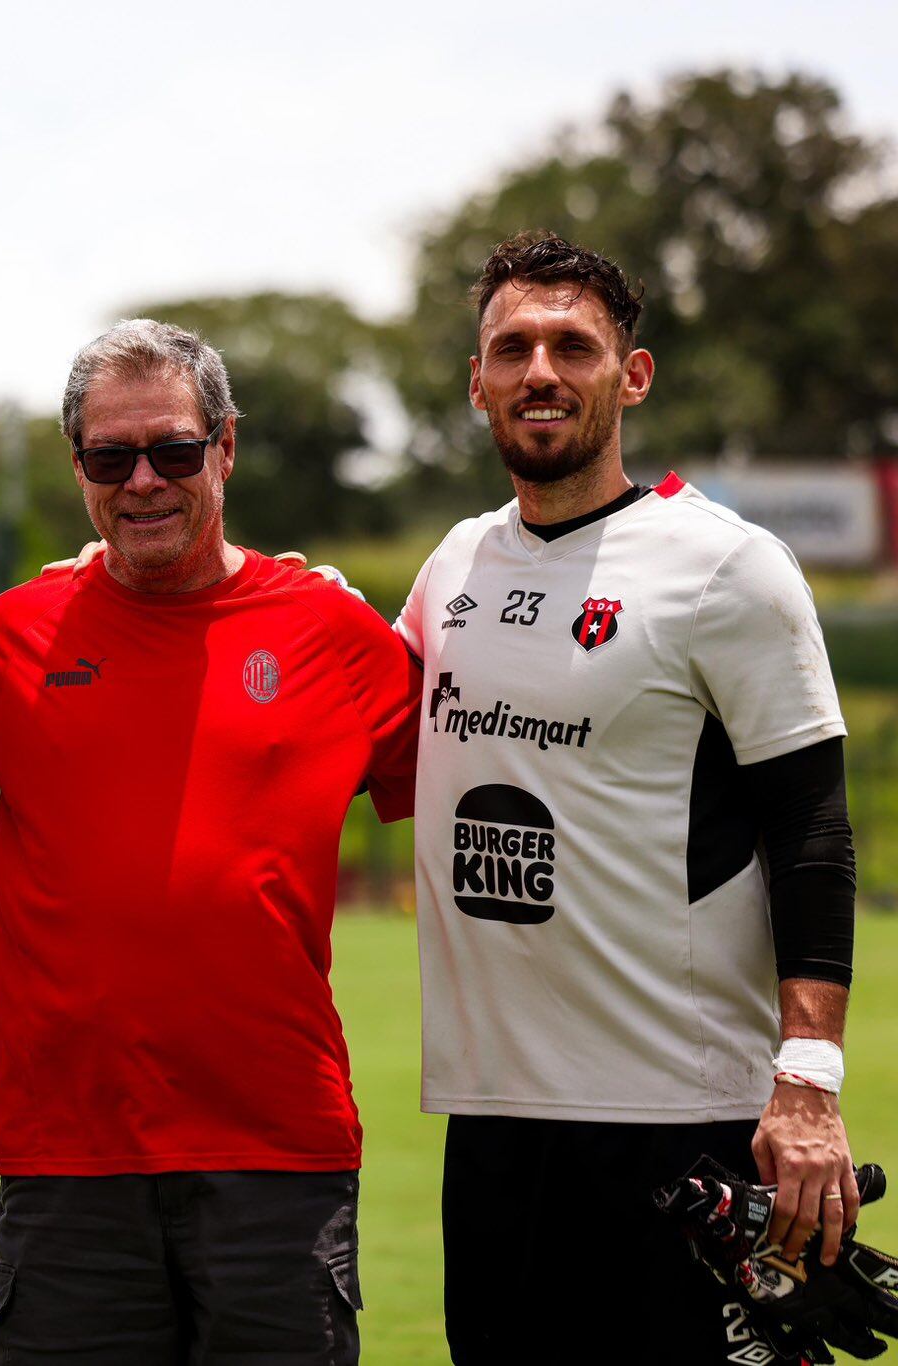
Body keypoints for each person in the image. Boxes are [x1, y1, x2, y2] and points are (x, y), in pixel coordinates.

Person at [0, 319, 421, 1365]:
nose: (143, 480)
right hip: (68, 1165)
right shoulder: (12, 638)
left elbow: (489, 793)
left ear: (223, 447)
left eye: (173, 451)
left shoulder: (336, 635)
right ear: (77, 466)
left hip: (279, 1159)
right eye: (111, 456)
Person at [392, 232, 860, 1364]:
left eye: (571, 346)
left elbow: (811, 832)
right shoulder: (451, 564)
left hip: (675, 1120)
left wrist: (805, 1084)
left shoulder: (722, 566)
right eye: (511, 347)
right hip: (492, 1121)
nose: (538, 371)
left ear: (628, 375)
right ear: (476, 381)